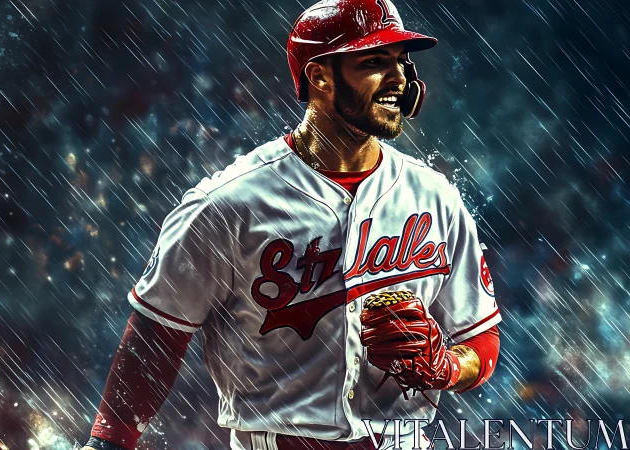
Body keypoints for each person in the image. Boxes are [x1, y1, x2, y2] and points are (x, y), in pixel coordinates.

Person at [82, 0, 501, 449]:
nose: (400, 79)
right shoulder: (229, 204)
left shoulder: (435, 197)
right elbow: (156, 338)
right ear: (319, 76)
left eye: (401, 62)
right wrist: (109, 442)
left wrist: (448, 367)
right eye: (375, 62)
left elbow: (482, 340)